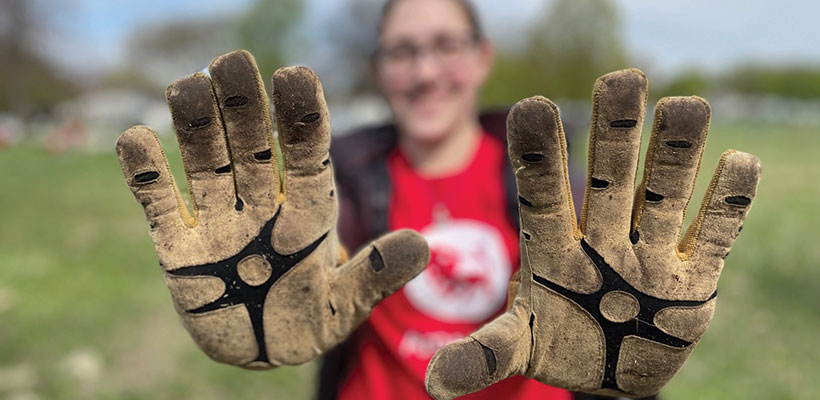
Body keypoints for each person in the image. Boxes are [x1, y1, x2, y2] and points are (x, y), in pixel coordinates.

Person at [320, 1, 593, 399]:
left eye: (446, 45)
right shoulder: (342, 187)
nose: (425, 73)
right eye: (401, 52)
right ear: (378, 69)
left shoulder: (551, 185)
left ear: (482, 57)